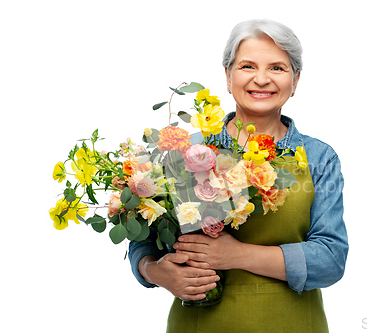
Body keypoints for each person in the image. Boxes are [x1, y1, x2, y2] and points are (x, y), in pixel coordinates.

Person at [128, 19, 348, 333]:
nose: (261, 80)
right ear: (228, 76)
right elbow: (144, 240)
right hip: (199, 323)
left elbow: (331, 259)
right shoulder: (185, 150)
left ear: (295, 80)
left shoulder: (318, 157)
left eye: (277, 68)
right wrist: (155, 271)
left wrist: (237, 255)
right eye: (247, 66)